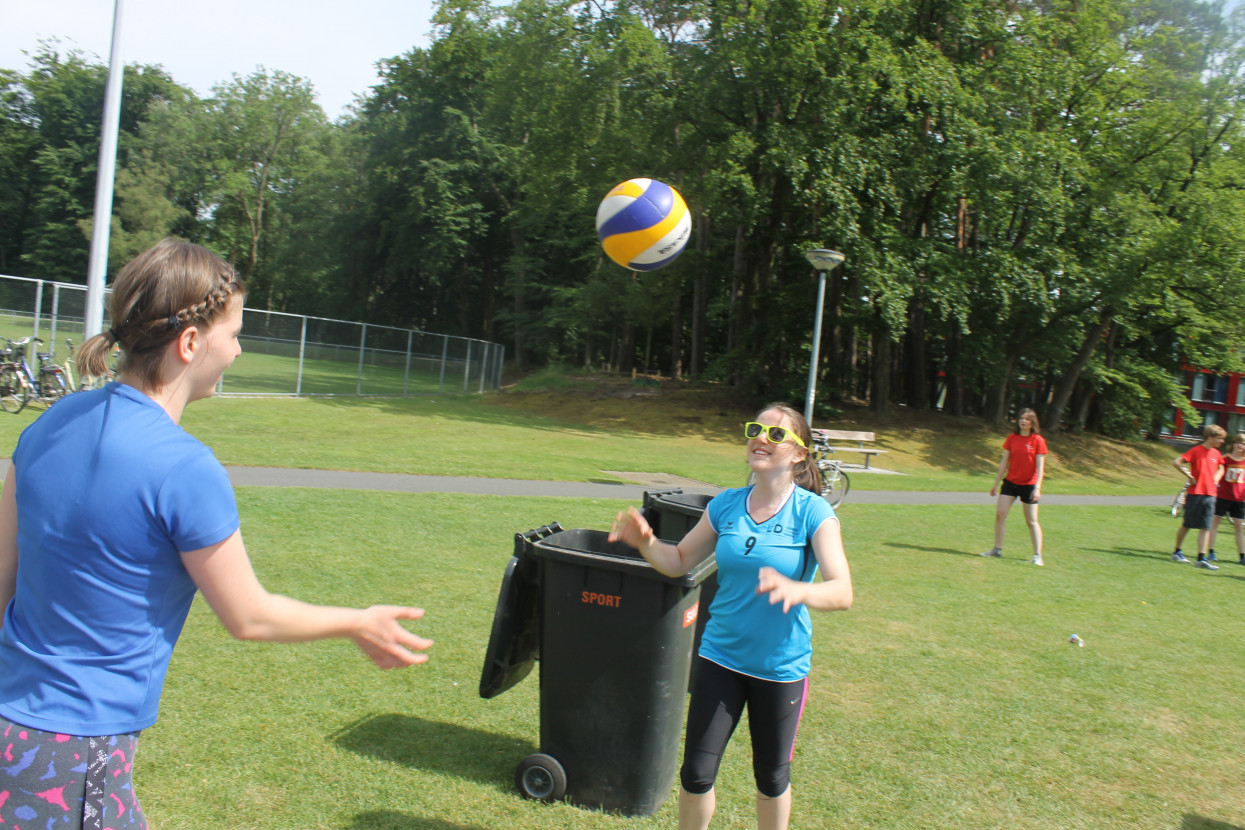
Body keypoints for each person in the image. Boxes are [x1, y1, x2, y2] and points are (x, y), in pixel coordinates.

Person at [0, 239, 433, 830]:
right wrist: (355, 621)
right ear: (189, 344)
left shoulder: (49, 423)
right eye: (233, 333)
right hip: (72, 752)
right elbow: (249, 616)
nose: (237, 348)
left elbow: (4, 576)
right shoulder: (184, 468)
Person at [608, 403, 852, 830]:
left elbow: (842, 590)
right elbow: (680, 559)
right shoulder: (726, 506)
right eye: (756, 429)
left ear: (799, 454)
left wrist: (798, 589)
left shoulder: (814, 513)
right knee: (697, 774)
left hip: (780, 668)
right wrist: (646, 542)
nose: (761, 438)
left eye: (776, 434)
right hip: (721, 658)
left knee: (771, 777)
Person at [980, 407, 1048, 565]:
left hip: (1029, 485)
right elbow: (1004, 462)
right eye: (1021, 418)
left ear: (1032, 423)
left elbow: (1040, 467)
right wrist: (996, 483)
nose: (1024, 421)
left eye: (1027, 419)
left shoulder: (1038, 440)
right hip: (1011, 482)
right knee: (1000, 514)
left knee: (1031, 520)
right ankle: (997, 550)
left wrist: (1037, 487)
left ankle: (1037, 555)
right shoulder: (1012, 438)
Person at [1171, 424, 1227, 569]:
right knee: (1187, 524)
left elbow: (1221, 467)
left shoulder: (1216, 453)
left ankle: (1201, 559)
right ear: (1210, 437)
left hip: (1211, 495)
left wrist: (1217, 478)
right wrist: (1189, 475)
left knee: (1206, 527)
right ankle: (1177, 551)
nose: (1222, 442)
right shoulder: (1196, 451)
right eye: (1220, 439)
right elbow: (1176, 462)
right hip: (1196, 494)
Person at [1208, 432, 1245, 565]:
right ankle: (1211, 551)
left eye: (1243, 443)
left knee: (1239, 526)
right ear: (1233, 444)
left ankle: (1242, 556)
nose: (1240, 446)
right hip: (1223, 496)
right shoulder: (1225, 459)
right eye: (1238, 442)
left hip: (1239, 499)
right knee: (1215, 522)